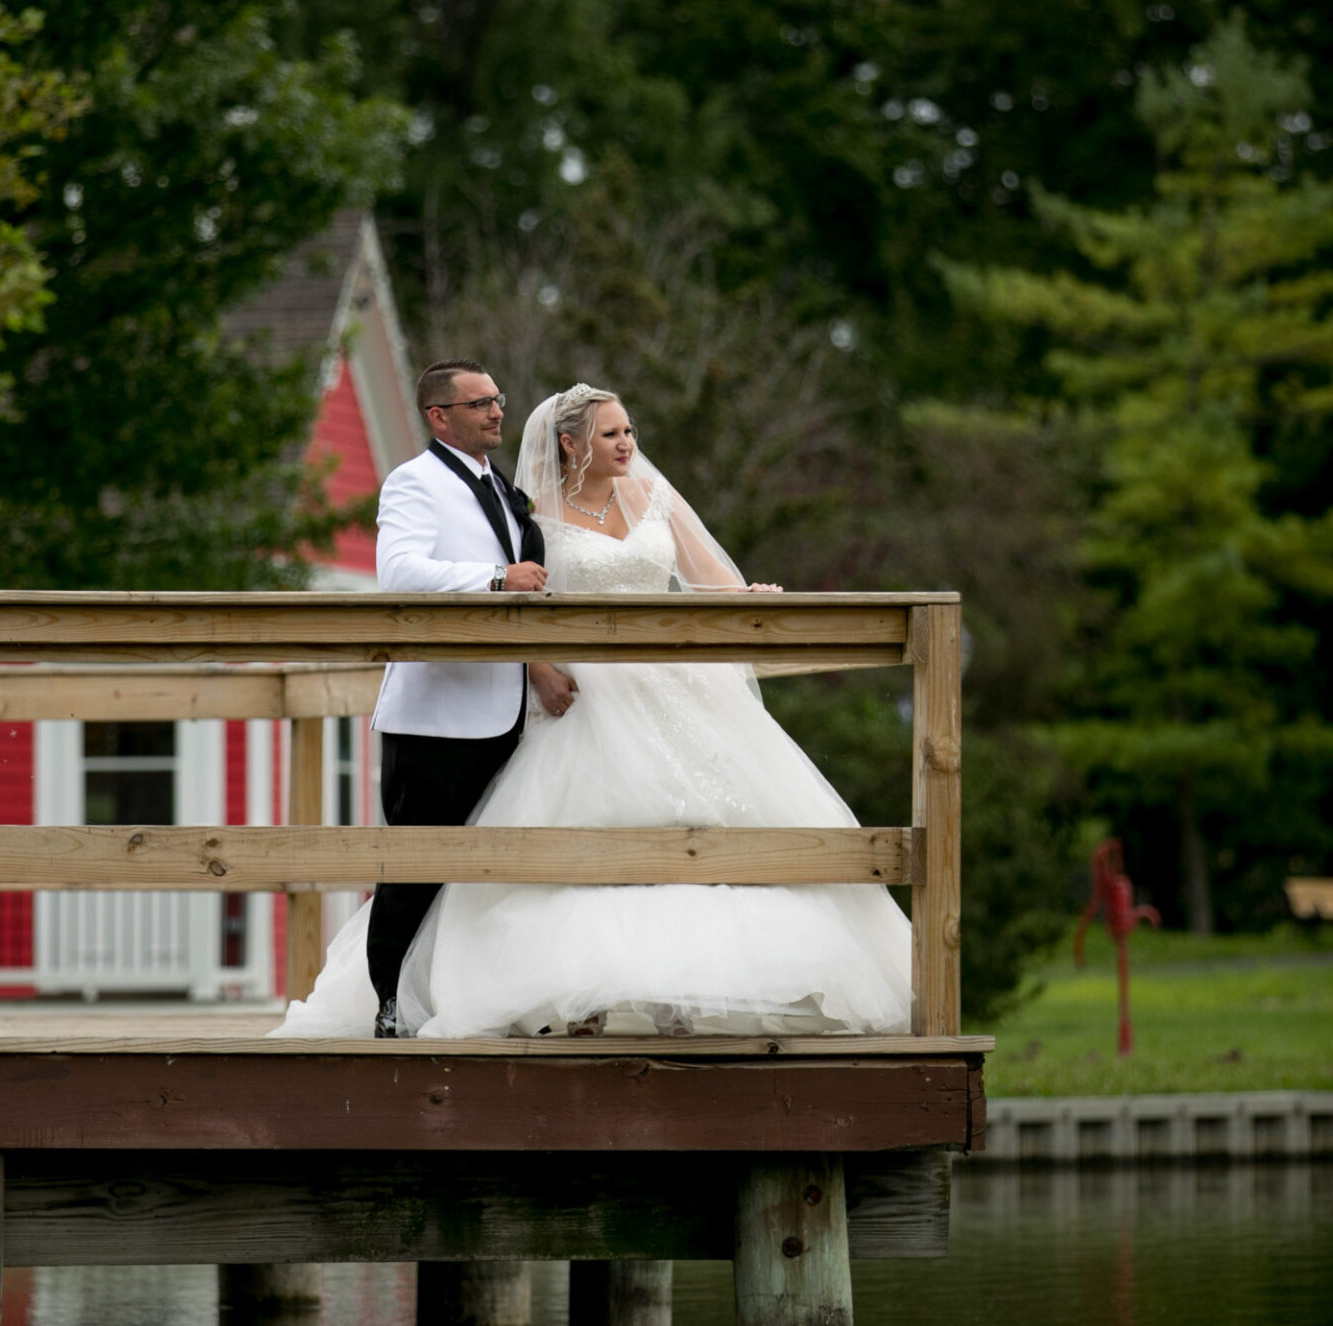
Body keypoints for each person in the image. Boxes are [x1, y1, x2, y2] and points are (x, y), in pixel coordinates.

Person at [277, 381, 910, 1040]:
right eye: (611, 434)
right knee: (576, 834)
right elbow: (526, 603)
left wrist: (750, 597)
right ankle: (575, 998)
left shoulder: (653, 497)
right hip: (587, 695)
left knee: (706, 824)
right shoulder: (532, 515)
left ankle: (682, 993)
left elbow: (706, 579)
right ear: (570, 443)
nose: (626, 445)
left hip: (673, 689)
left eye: (629, 432)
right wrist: (540, 664)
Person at [273, 358, 571, 1039]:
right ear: (440, 416)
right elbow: (400, 572)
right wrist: (497, 578)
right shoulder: (415, 482)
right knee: (415, 866)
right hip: (438, 711)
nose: (498, 411)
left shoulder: (503, 488)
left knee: (489, 867)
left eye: (499, 399)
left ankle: (473, 998)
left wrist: (538, 667)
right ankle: (386, 1001)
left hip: (509, 708)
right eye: (479, 404)